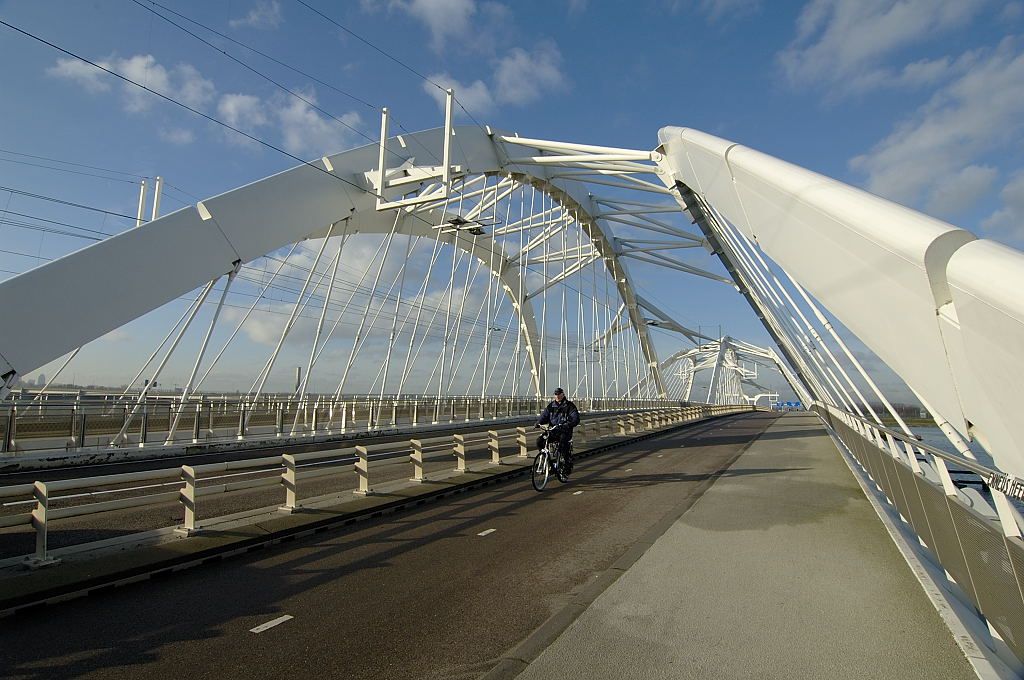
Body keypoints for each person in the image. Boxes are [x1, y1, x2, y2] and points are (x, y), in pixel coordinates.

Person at [536, 387, 580, 481]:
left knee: (563, 445)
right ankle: (545, 459)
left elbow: (575, 418)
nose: (557, 396)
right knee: (540, 441)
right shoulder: (551, 406)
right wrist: (538, 423)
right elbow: (544, 415)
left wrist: (568, 424)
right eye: (556, 394)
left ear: (563, 394)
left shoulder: (569, 406)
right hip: (553, 430)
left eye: (559, 394)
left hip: (565, 431)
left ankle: (566, 467)